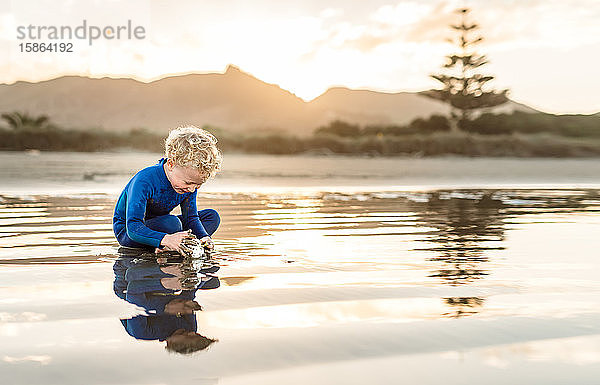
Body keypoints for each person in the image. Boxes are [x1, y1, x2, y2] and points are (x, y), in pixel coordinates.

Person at [113, 125, 222, 254]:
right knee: (172, 224)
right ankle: (167, 243)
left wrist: (204, 237)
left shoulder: (188, 186)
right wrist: (166, 239)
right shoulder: (144, 180)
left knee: (211, 217)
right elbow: (133, 228)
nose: (192, 189)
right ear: (171, 164)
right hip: (130, 232)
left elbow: (191, 218)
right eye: (189, 183)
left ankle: (184, 244)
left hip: (163, 224)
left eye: (198, 185)